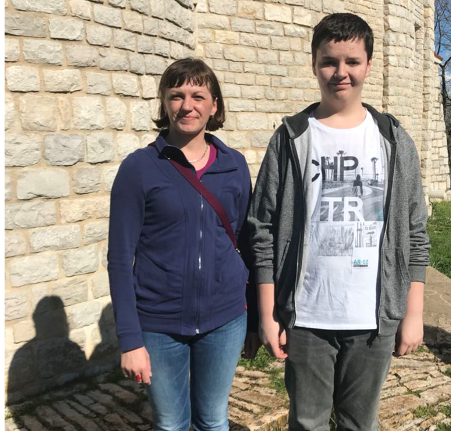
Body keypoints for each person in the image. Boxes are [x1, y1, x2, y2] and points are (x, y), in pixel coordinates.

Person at [248, 13, 430, 431]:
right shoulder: (291, 138)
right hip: (308, 315)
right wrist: (268, 313)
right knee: (307, 422)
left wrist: (413, 313)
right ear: (314, 64)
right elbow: (262, 229)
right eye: (329, 61)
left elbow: (415, 233)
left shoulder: (393, 140)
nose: (340, 72)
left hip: (373, 317)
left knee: (359, 423)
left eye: (352, 61)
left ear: (369, 65)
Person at [108, 58, 259, 431]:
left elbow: (247, 244)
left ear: (214, 106)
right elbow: (120, 259)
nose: (186, 106)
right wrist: (130, 340)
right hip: (159, 324)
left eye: (197, 96)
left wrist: (254, 319)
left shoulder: (234, 165)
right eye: (176, 96)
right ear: (164, 102)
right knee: (171, 423)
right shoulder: (139, 168)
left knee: (213, 419)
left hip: (224, 320)